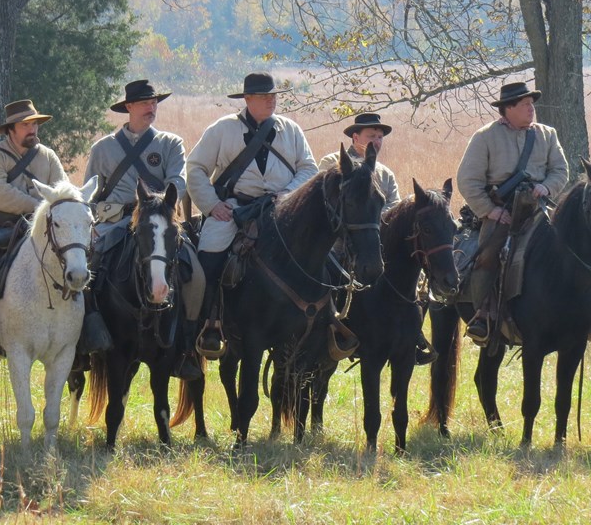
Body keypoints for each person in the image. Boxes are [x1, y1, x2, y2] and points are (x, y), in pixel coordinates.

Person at [0, 100, 107, 352]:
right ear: (11, 129)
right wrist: (37, 205)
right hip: (0, 226)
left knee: (78, 261)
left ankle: (86, 323)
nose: (32, 129)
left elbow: (62, 192)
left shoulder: (48, 156)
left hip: (46, 228)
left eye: (34, 123)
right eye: (26, 124)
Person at [186, 72, 319, 357]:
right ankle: (206, 327)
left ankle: (323, 325)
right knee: (206, 261)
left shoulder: (291, 130)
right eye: (264, 96)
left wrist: (287, 196)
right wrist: (212, 205)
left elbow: (309, 169)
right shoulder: (222, 129)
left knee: (324, 259)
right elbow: (195, 168)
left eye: (273, 95)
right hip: (233, 211)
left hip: (281, 211)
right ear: (247, 99)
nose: (271, 100)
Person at [85, 79, 204, 380]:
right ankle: (86, 341)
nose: (151, 107)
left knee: (197, 274)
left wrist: (160, 205)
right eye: (144, 103)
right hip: (114, 223)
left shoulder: (170, 143)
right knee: (87, 271)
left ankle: (187, 346)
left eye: (154, 102)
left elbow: (178, 180)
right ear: (128, 107)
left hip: (160, 220)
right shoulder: (103, 148)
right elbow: (89, 193)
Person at [319, 112, 436, 365]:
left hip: (377, 241)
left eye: (380, 136)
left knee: (415, 281)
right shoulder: (333, 162)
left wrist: (377, 226)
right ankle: (327, 326)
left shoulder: (385, 173)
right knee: (327, 274)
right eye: (372, 135)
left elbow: (393, 207)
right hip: (342, 240)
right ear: (355, 136)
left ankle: (411, 335)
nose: (377, 141)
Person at [457, 81, 569, 343]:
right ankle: (484, 314)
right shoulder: (485, 137)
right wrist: (491, 211)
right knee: (487, 256)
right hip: (502, 212)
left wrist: (546, 186)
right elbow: (468, 181)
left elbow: (560, 171)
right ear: (508, 108)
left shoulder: (547, 134)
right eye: (525, 105)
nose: (532, 110)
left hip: (540, 210)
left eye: (532, 104)